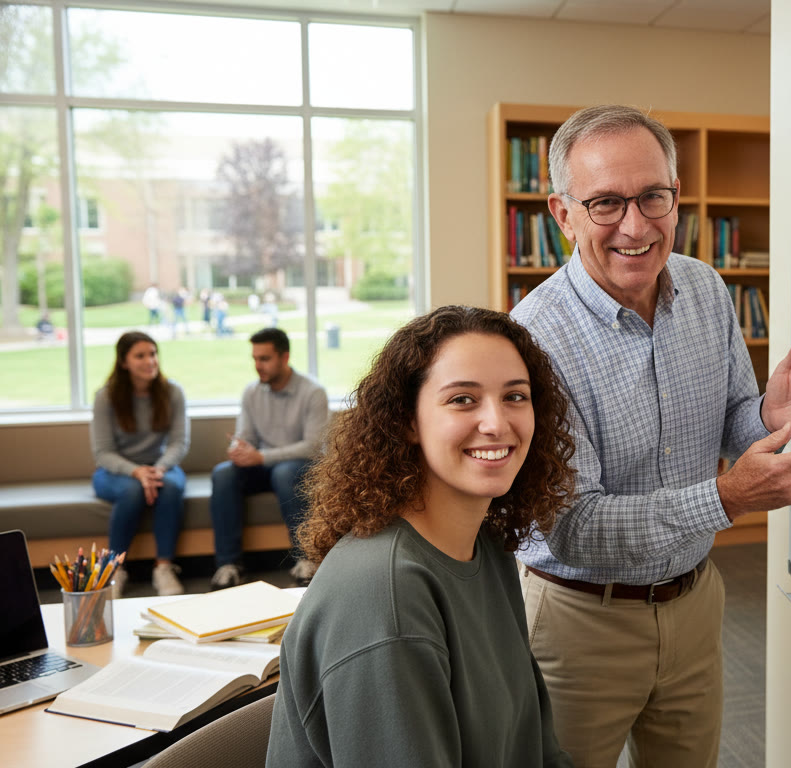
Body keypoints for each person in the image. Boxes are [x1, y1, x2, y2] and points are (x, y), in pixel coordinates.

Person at [511, 104, 791, 767]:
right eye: (605, 203)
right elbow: (572, 526)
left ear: (676, 196)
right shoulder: (533, 337)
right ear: (563, 214)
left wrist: (769, 417)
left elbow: (730, 419)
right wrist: (727, 500)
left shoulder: (704, 286)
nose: (635, 226)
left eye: (653, 197)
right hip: (582, 623)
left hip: (695, 601)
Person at [266, 306, 575, 767]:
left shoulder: (487, 547)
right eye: (462, 400)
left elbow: (538, 747)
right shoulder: (384, 594)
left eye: (515, 396)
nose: (497, 422)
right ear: (407, 421)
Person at [209, 327, 329, 589]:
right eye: (254, 359)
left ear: (284, 358)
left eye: (264, 359)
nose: (257, 366)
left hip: (298, 465)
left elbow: (312, 447)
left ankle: (305, 559)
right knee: (223, 473)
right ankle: (229, 565)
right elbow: (247, 436)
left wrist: (260, 456)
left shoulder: (313, 392)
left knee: (284, 472)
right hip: (262, 465)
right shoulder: (251, 393)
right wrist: (239, 448)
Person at [90, 331, 189, 596]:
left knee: (170, 486)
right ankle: (114, 569)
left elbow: (179, 443)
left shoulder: (173, 392)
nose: (150, 361)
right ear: (124, 362)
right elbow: (103, 453)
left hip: (160, 467)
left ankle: (164, 568)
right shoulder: (106, 397)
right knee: (132, 490)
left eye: (153, 354)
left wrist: (158, 469)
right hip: (116, 470)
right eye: (140, 356)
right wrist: (137, 472)